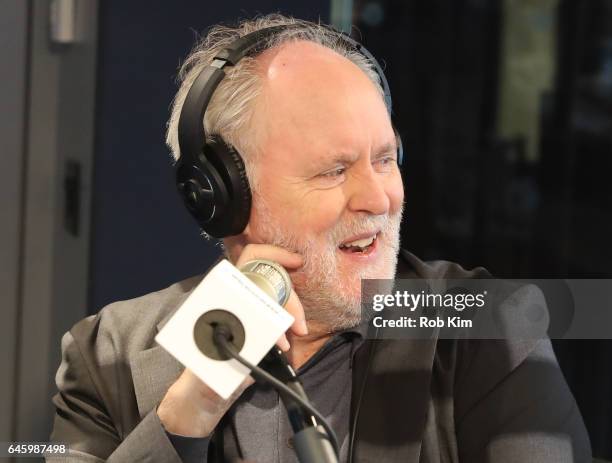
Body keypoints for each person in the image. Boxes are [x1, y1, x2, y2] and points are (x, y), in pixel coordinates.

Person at [47, 14, 591, 463]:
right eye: (334, 170)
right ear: (224, 195)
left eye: (385, 160)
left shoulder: (489, 328)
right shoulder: (108, 352)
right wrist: (192, 406)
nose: (378, 199)